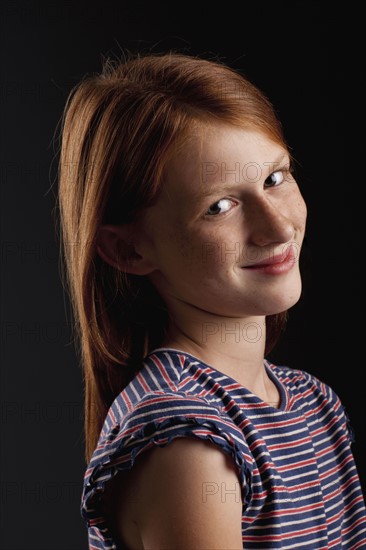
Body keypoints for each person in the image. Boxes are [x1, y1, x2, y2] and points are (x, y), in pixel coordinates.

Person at [56, 51, 366, 549]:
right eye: (220, 207)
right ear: (128, 249)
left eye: (275, 178)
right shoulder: (188, 442)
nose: (278, 226)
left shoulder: (312, 403)